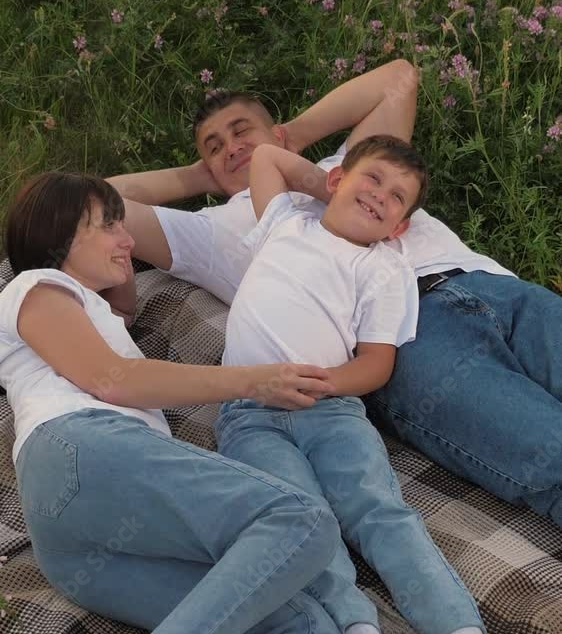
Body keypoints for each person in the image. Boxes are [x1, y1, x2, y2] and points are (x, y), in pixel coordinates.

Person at [0, 171, 353, 634]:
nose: (126, 236)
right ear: (58, 237)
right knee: (299, 520)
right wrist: (253, 380)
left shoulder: (102, 309)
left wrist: (120, 268)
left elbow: (122, 335)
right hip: (81, 454)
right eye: (107, 225)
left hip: (85, 551)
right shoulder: (36, 286)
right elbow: (111, 380)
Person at [107, 63, 562, 529]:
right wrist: (198, 177)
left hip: (492, 286)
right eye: (214, 146)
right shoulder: (207, 230)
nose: (231, 147)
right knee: (550, 450)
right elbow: (95, 201)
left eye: (241, 131)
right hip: (413, 339)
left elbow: (398, 78)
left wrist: (301, 150)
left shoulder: (355, 169)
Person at [214, 134, 506, 634]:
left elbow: (377, 363)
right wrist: (335, 185)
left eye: (396, 198)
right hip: (248, 412)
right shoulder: (285, 224)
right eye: (372, 179)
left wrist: (326, 383)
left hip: (332, 410)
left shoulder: (382, 268)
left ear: (400, 227)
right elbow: (267, 157)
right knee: (300, 519)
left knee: (378, 508)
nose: (379, 196)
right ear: (336, 179)